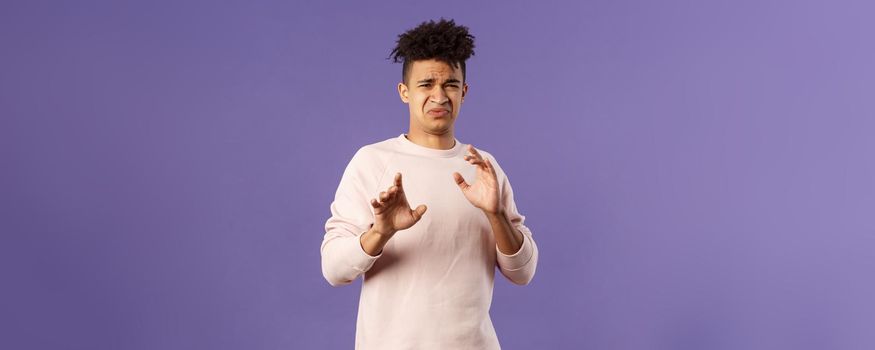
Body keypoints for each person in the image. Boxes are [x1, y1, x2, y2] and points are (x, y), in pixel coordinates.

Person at [320, 18, 539, 349]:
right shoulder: (372, 162)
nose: (439, 96)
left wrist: (495, 215)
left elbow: (523, 273)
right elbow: (334, 269)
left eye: (450, 84)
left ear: (464, 92)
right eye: (426, 85)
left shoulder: (483, 167)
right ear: (404, 92)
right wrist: (381, 232)